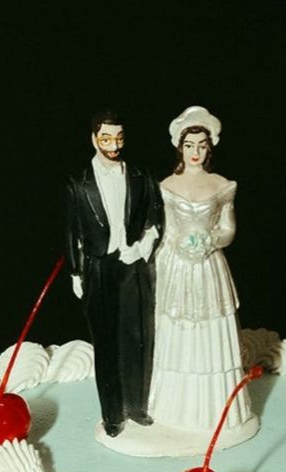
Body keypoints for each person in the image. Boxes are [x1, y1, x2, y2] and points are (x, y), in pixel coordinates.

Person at [148, 106, 252, 435]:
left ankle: (215, 410)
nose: (195, 152)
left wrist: (209, 241)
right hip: (176, 267)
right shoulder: (166, 186)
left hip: (208, 266)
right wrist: (176, 245)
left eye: (201, 146)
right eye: (190, 145)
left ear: (210, 148)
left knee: (209, 332)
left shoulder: (223, 185)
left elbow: (229, 230)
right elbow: (163, 230)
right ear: (180, 147)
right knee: (178, 329)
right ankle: (172, 408)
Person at [66, 111, 163, 437]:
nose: (114, 145)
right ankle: (112, 414)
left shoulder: (141, 176)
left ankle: (137, 406)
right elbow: (72, 233)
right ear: (94, 138)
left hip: (133, 266)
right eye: (106, 138)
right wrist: (76, 273)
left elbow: (156, 220)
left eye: (119, 138)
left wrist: (142, 247)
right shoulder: (78, 184)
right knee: (106, 343)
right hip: (98, 267)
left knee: (137, 338)